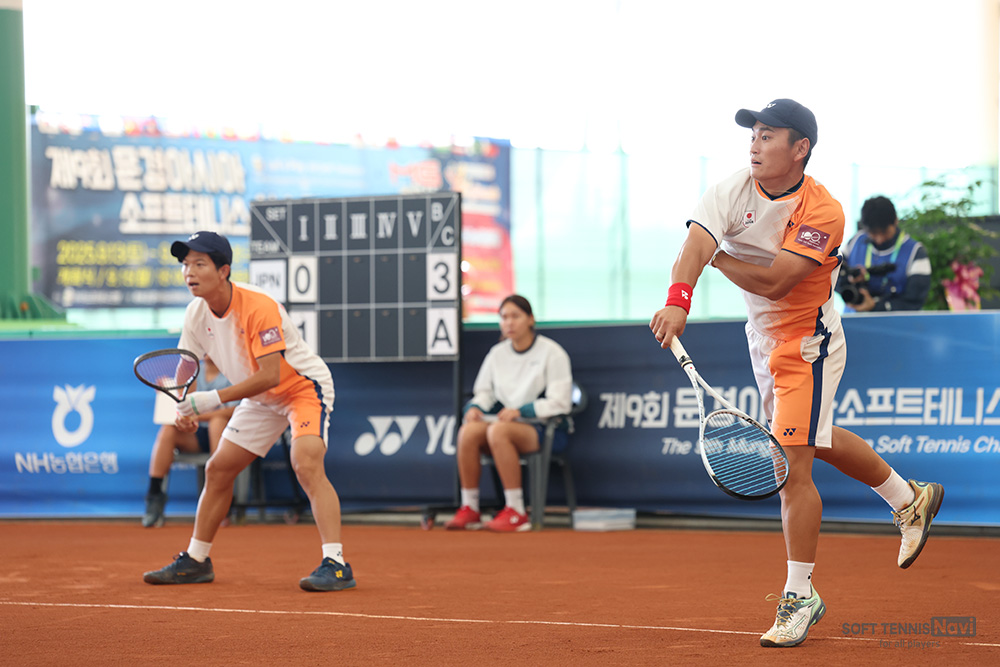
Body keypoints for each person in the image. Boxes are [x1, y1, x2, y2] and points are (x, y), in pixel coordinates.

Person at [648, 99, 944, 648]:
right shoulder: (730, 191)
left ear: (800, 148)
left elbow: (776, 282)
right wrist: (677, 300)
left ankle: (800, 594)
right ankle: (909, 499)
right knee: (811, 440)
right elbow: (692, 248)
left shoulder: (823, 211)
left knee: (790, 465)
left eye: (767, 135)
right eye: (752, 135)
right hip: (761, 340)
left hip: (809, 343)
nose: (754, 145)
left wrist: (717, 256)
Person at [142, 231, 356, 592]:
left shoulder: (258, 306)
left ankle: (336, 564)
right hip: (261, 400)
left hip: (302, 388)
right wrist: (184, 407)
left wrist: (211, 399)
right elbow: (186, 368)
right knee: (218, 469)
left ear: (223, 270)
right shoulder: (195, 313)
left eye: (199, 264)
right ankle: (196, 560)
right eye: (185, 265)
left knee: (305, 462)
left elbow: (271, 375)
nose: (189, 272)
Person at [446, 294, 573, 533]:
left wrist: (522, 411)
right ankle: (469, 507)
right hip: (502, 426)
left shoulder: (552, 352)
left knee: (498, 431)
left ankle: (516, 511)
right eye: (504, 317)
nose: (509, 323)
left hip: (545, 430)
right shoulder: (496, 354)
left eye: (516, 316)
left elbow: (561, 402)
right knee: (468, 432)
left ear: (531, 319)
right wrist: (474, 408)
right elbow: (484, 393)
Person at [142, 355, 237, 528]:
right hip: (195, 435)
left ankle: (220, 494)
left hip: (227, 435)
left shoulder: (232, 372)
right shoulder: (191, 372)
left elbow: (235, 410)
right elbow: (180, 402)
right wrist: (166, 392)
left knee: (217, 422)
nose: (207, 351)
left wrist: (199, 415)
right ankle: (154, 495)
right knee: (168, 430)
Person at [836, 195, 931, 312]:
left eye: (884, 232)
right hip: (851, 320)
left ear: (896, 220)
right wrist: (849, 281)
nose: (879, 239)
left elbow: (914, 302)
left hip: (895, 323)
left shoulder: (915, 252)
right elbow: (831, 276)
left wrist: (876, 306)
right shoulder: (855, 242)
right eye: (873, 233)